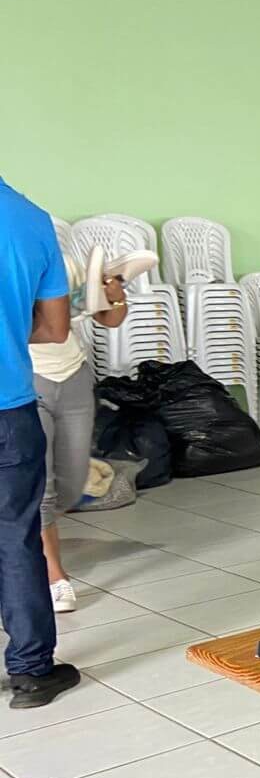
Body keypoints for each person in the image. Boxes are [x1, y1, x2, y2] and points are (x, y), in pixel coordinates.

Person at [0, 176, 78, 709]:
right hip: (8, 410)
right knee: (15, 538)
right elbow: (54, 329)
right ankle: (30, 673)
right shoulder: (30, 219)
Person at [31, 242, 129, 613]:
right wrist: (59, 315)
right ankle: (55, 575)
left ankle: (26, 542)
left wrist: (113, 296)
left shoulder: (67, 264)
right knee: (43, 485)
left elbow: (111, 320)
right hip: (27, 379)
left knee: (71, 486)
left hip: (73, 376)